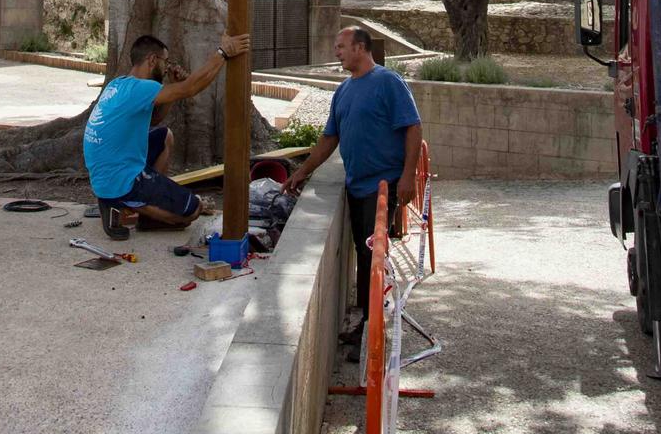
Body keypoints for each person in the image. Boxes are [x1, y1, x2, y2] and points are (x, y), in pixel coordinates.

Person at [283, 26, 422, 361]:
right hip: (356, 186)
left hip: (382, 186)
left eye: (341, 46)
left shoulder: (388, 82)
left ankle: (373, 331)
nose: (337, 52)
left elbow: (413, 127)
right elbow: (329, 139)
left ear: (361, 48)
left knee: (372, 257)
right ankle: (368, 324)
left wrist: (407, 177)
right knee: (364, 255)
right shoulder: (343, 92)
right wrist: (301, 172)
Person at [83, 30, 249, 240]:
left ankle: (129, 204)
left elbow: (152, 121)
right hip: (119, 177)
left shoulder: (119, 84)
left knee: (165, 136)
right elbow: (191, 88)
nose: (167, 66)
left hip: (106, 171)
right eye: (165, 61)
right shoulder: (142, 88)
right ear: (152, 60)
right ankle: (123, 201)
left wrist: (171, 88)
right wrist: (223, 52)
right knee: (191, 212)